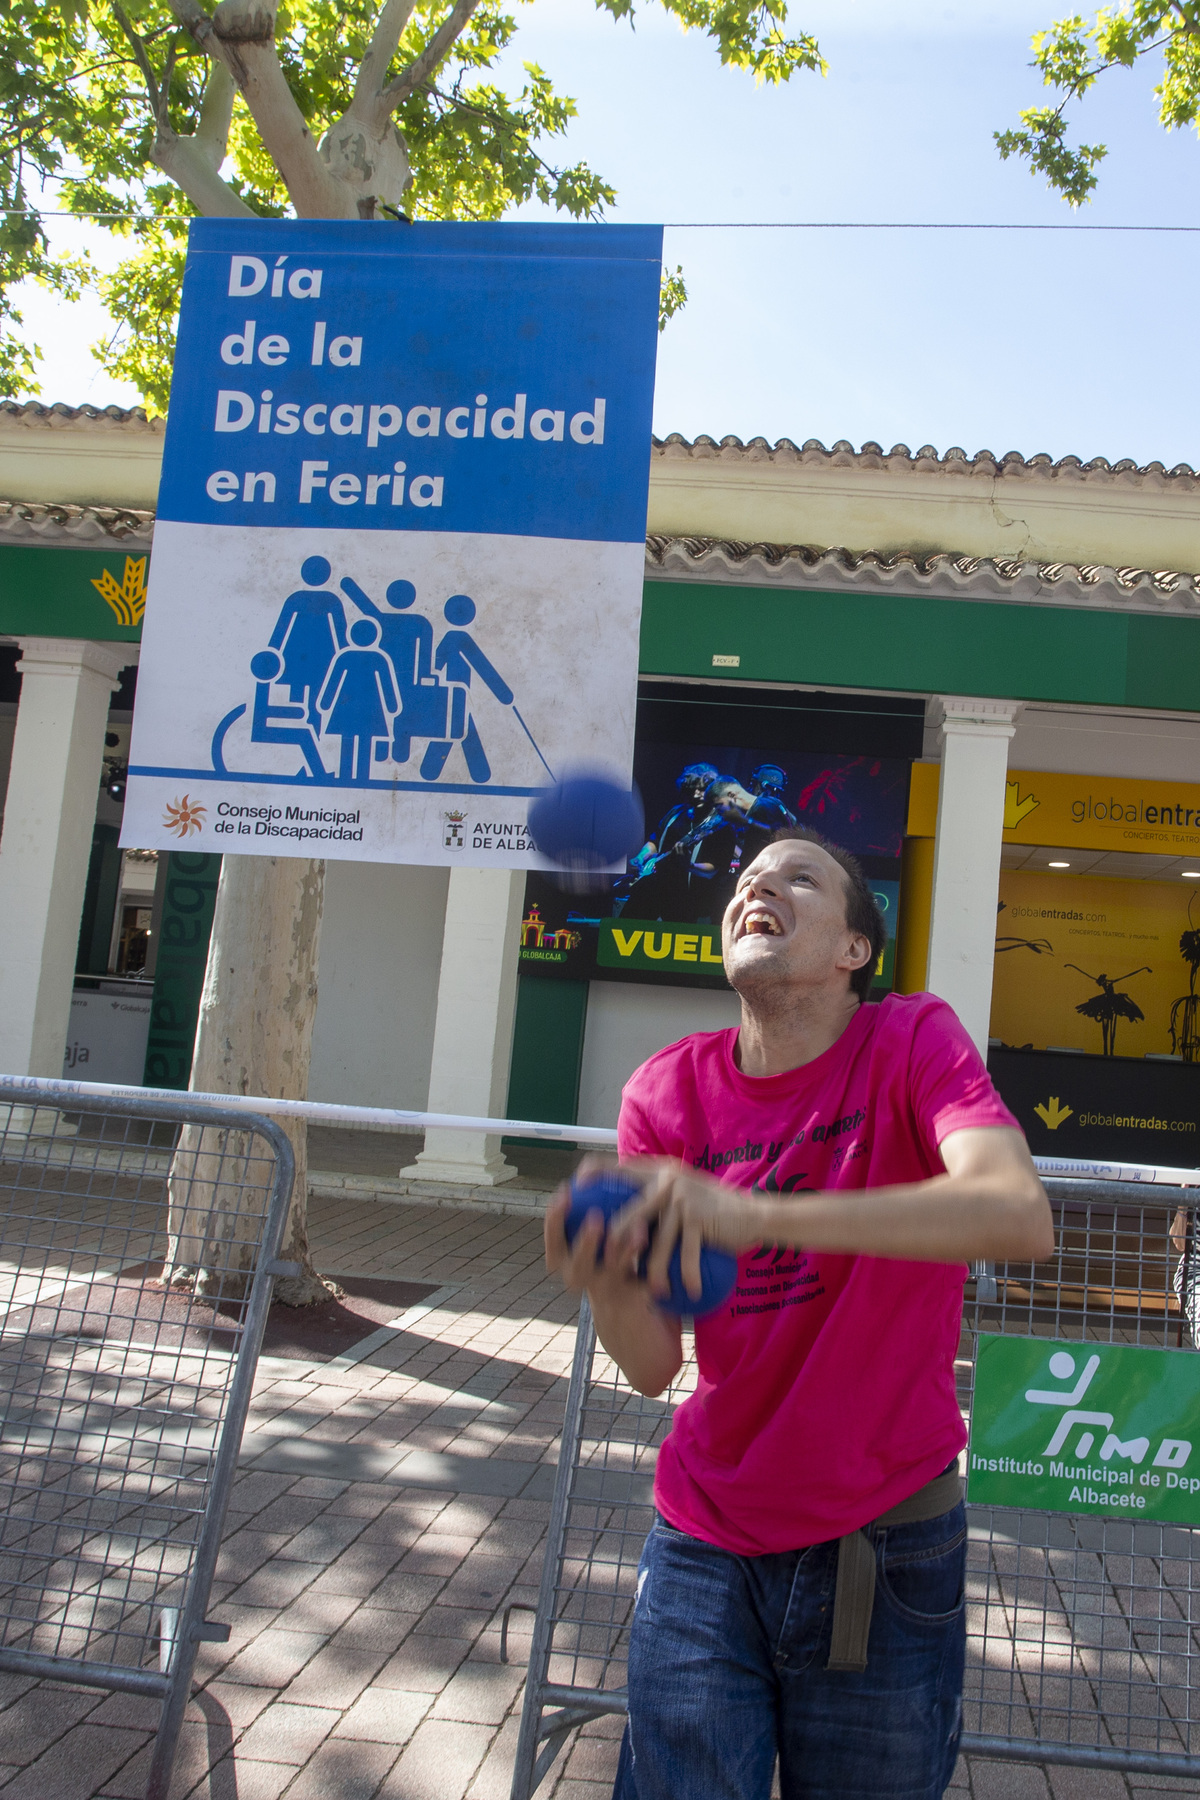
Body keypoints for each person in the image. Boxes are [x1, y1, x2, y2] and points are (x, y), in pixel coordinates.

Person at [545, 828, 1053, 1800]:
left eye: (797, 878)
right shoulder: (664, 1090)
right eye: (745, 882)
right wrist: (603, 1272)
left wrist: (756, 1214)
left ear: (854, 950)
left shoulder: (911, 1040)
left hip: (886, 1541)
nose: (757, 890)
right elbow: (652, 1367)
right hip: (703, 1537)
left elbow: (1016, 1212)